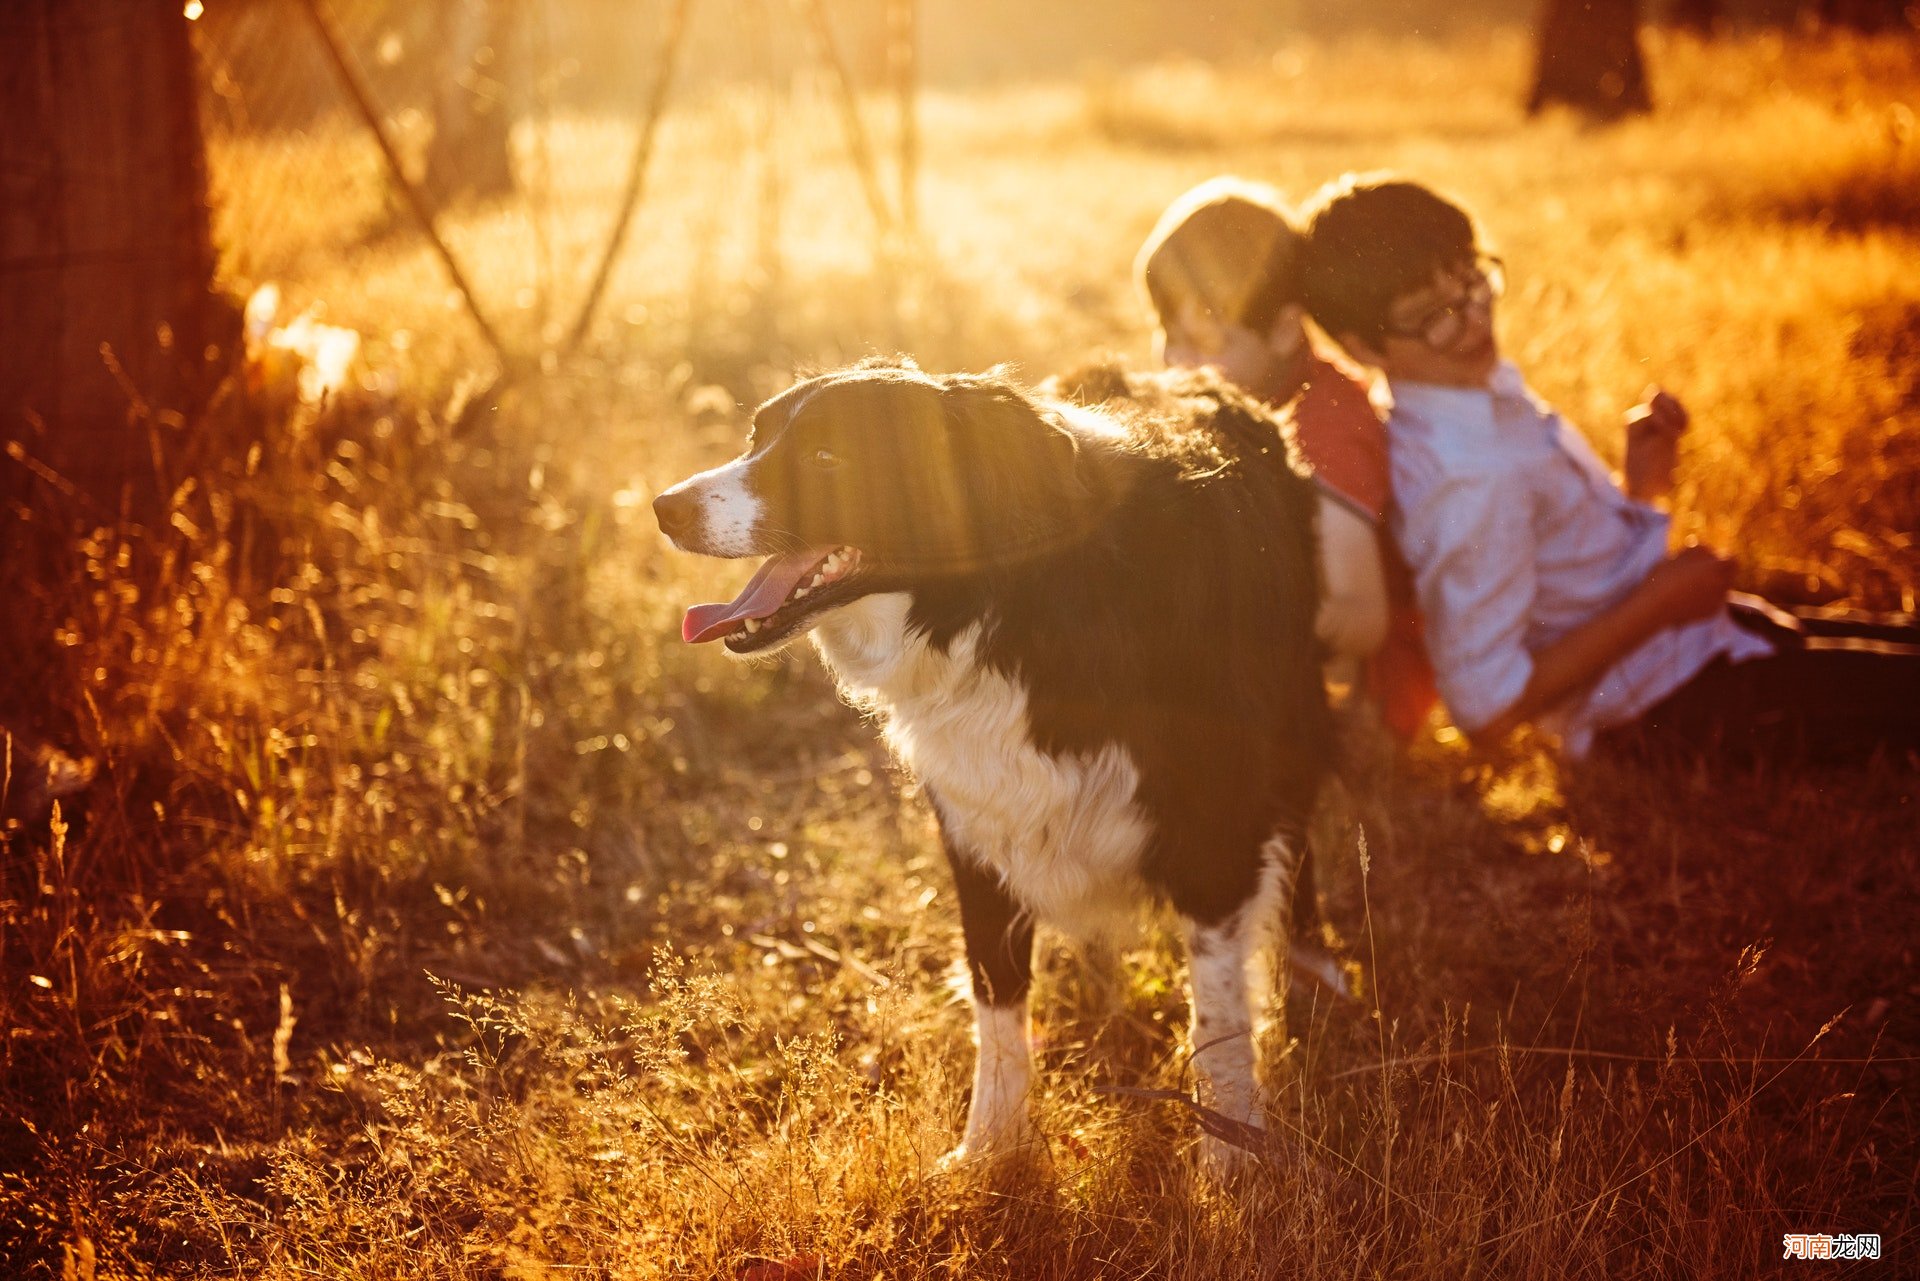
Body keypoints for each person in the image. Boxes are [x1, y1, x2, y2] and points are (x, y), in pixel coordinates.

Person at [1295, 173, 1920, 765]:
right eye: (1434, 315)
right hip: (1674, 705)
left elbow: (1564, 574)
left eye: (1472, 282)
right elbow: (1484, 708)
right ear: (1362, 347)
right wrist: (1662, 602)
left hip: (1700, 642)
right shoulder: (1464, 476)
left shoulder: (1473, 398)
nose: (1475, 319)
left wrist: (1642, 485)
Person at [1135, 176, 1437, 740]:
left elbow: (1362, 620)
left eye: (1205, 343)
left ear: (1282, 330)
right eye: (1166, 335)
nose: (1177, 362)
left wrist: (1233, 618)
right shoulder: (1236, 396)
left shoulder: (1324, 429)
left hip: (1366, 695)